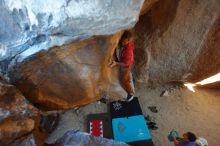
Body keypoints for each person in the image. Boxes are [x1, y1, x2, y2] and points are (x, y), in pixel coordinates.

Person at [109, 30, 135, 101]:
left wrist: (116, 63)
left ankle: (130, 93)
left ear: (128, 40)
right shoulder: (128, 44)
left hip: (126, 65)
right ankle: (129, 80)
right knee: (126, 75)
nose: (122, 43)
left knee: (123, 79)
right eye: (122, 41)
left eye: (124, 42)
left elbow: (125, 63)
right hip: (127, 62)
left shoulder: (128, 51)